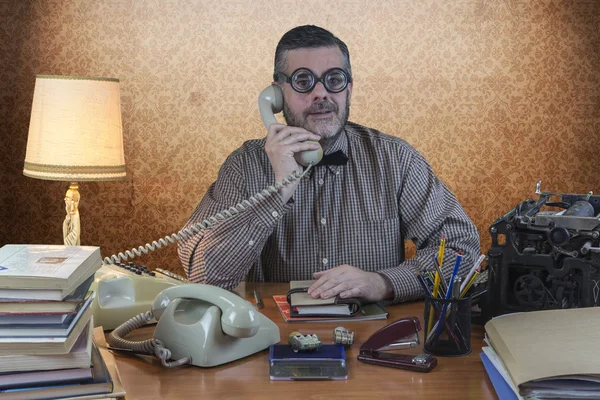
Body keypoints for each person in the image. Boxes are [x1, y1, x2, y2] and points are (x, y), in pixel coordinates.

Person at [178, 25, 480, 304]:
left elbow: (462, 248)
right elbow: (205, 276)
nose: (321, 93)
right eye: (303, 81)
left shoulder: (395, 159)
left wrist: (383, 282)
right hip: (276, 339)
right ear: (277, 95)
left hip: (374, 340)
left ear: (348, 89)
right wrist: (279, 190)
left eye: (334, 79)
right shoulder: (245, 166)